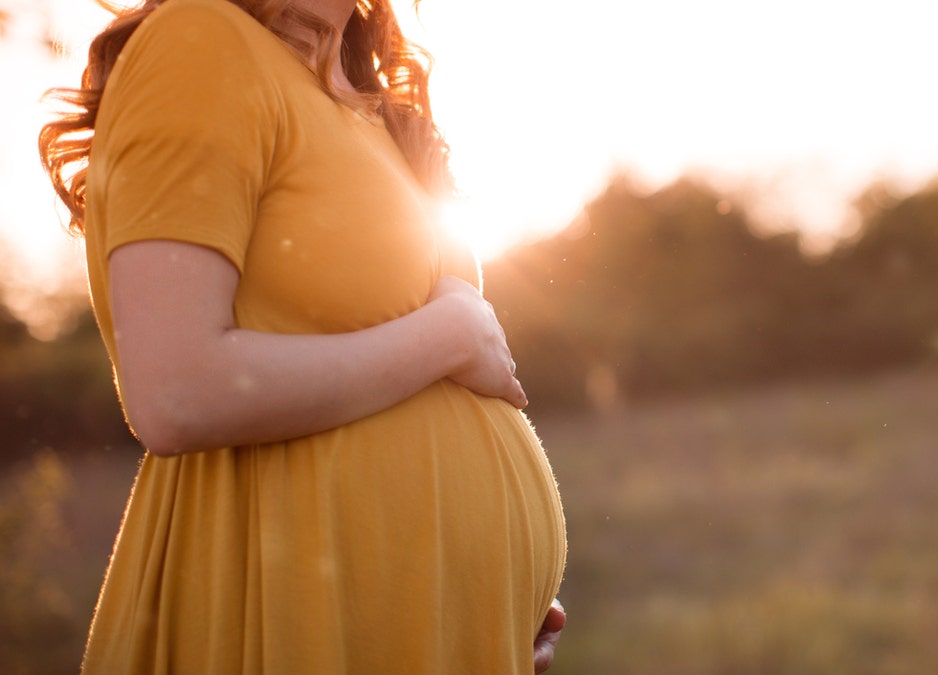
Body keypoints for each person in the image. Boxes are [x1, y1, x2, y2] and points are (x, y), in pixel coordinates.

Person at [38, 0, 567, 672]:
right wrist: (451, 332)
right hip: (288, 614)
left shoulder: (365, 99)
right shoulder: (200, 41)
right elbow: (176, 391)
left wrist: (489, 598)